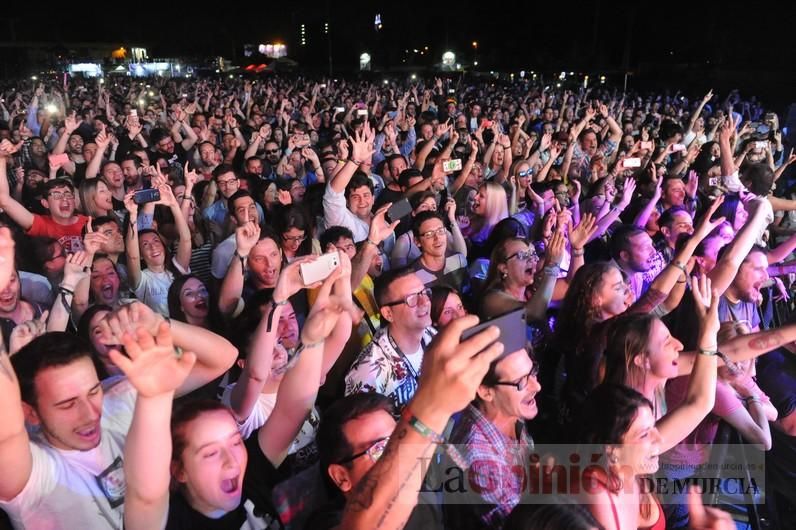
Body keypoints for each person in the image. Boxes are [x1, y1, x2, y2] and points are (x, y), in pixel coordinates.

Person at [119, 267, 348, 530]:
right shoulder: (173, 523)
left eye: (236, 442)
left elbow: (292, 411)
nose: (232, 460)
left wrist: (313, 337)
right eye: (210, 453)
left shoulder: (251, 477)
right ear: (178, 470)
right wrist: (154, 397)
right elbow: (145, 497)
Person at [0, 303, 236, 530]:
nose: (91, 413)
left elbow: (223, 357)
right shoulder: (32, 473)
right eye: (67, 404)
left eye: (93, 391)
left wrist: (158, 323)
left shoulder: (118, 398)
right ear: (31, 413)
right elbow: (7, 435)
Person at [445, 346, 541, 529]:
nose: (537, 386)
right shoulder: (478, 460)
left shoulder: (510, 413)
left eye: (533, 372)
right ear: (485, 391)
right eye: (521, 381)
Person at [344, 269, 437, 412]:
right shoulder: (370, 371)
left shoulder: (432, 335)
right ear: (388, 314)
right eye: (411, 298)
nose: (425, 302)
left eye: (424, 292)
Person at [124, 184, 192, 316]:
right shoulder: (142, 280)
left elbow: (186, 239)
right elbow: (131, 255)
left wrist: (173, 204)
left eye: (156, 241)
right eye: (145, 245)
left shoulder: (177, 267)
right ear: (141, 255)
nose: (153, 246)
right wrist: (133, 215)